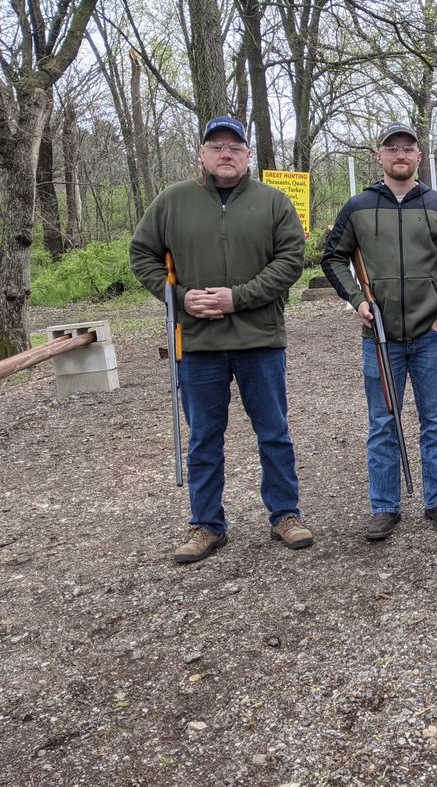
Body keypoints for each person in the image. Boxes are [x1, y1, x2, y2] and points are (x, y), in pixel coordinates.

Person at [130, 115, 312, 563]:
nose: (226, 154)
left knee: (274, 433)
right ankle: (207, 524)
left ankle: (285, 516)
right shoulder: (173, 201)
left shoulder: (274, 202)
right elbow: (142, 255)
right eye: (217, 147)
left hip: (260, 340)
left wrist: (239, 298)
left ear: (248, 155)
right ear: (203, 154)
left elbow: (291, 260)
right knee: (204, 437)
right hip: (197, 342)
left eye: (235, 146)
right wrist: (178, 297)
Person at [321, 122, 437, 540]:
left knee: (435, 421)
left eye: (408, 148)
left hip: (430, 336)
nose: (400, 154)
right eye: (392, 148)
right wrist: (357, 300)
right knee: (383, 423)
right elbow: (333, 258)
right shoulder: (358, 207)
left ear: (419, 156)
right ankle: (384, 507)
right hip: (380, 337)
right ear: (379, 156)